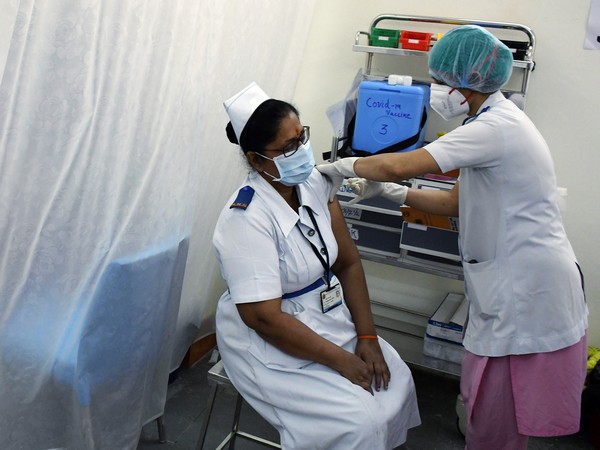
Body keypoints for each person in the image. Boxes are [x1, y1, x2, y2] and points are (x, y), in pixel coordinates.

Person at [317, 25, 588, 450]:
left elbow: (397, 164)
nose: (438, 90)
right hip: (516, 282)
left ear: (466, 85)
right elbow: (455, 203)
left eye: (441, 81)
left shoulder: (495, 128)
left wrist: (342, 167)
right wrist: (395, 194)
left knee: (495, 417)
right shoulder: (491, 121)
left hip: (526, 291)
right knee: (490, 411)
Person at [212, 82, 420, 450]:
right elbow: (263, 318)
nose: (302, 151)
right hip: (267, 339)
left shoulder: (311, 183)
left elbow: (348, 261)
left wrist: (368, 337)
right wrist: (341, 360)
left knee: (397, 379)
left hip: (325, 314)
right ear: (257, 159)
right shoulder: (245, 219)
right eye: (288, 147)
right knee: (358, 421)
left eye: (302, 136)